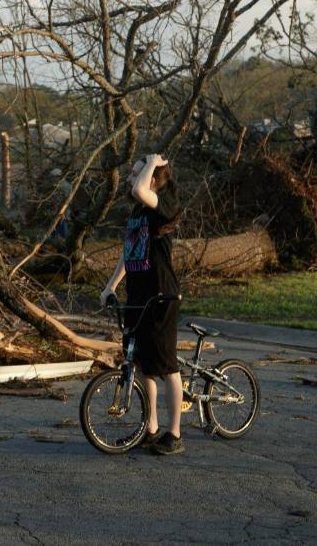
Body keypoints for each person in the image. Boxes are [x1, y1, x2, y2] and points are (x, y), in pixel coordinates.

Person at [100, 153, 183, 455]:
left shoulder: (163, 205)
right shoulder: (138, 211)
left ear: (156, 177)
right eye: (134, 172)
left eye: (139, 172)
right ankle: (150, 428)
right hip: (137, 295)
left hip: (161, 294)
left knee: (167, 366)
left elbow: (140, 190)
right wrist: (111, 286)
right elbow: (129, 252)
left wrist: (153, 161)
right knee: (144, 367)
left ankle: (174, 433)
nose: (133, 177)